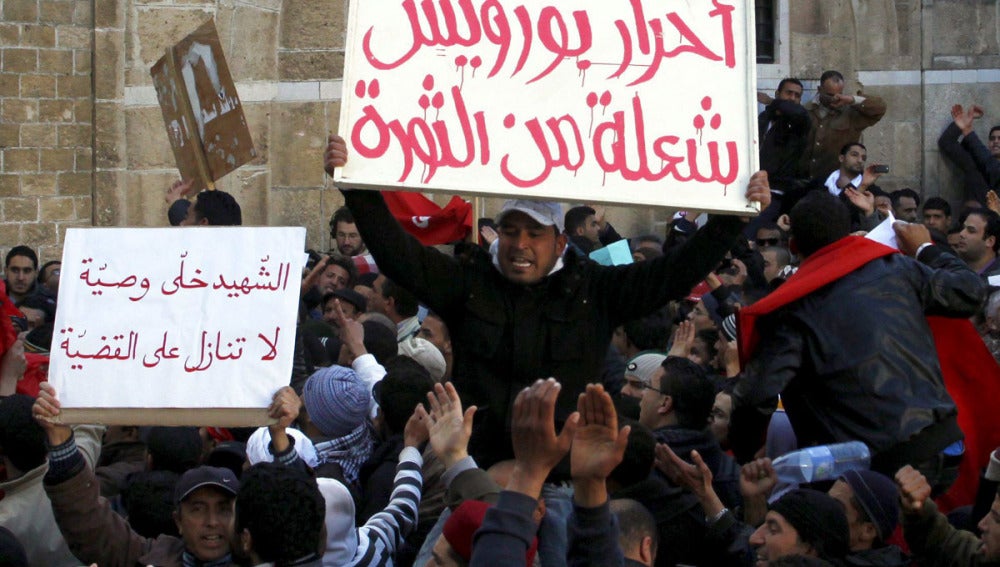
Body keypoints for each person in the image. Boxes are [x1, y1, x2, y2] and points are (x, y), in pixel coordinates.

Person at [324, 133, 771, 467]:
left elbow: (672, 273)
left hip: (561, 483)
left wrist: (731, 220)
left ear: (559, 243)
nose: (521, 244)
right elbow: (401, 258)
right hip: (475, 471)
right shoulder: (470, 282)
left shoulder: (594, 290)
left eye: (535, 233)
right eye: (512, 231)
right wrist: (356, 189)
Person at [731, 191, 986, 488]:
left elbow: (755, 395)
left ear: (793, 245)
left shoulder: (791, 310)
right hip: (942, 441)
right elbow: (969, 291)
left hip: (877, 463)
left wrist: (744, 455)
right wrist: (925, 249)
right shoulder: (896, 268)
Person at [33, 382, 304, 566]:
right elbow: (89, 525)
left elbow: (300, 519)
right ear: (178, 521)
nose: (211, 522)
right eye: (197, 509)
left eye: (223, 509)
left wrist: (279, 436)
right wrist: (61, 442)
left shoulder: (266, 558)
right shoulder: (149, 556)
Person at [897, 464, 1000, 566]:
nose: (981, 524)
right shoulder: (986, 557)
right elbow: (944, 545)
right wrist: (920, 512)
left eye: (996, 519)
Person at [798, 70, 887, 179]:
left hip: (838, 181)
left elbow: (880, 108)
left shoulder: (851, 113)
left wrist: (851, 99)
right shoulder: (805, 111)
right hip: (804, 180)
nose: (835, 98)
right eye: (830, 95)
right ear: (819, 90)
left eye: (839, 94)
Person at [938, 103, 999, 205]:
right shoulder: (975, 166)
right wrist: (960, 124)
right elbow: (947, 143)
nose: (996, 141)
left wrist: (968, 130)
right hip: (973, 219)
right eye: (992, 138)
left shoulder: (991, 166)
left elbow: (994, 169)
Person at [954, 207, 1000, 282]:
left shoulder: (997, 280)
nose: (961, 234)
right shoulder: (952, 270)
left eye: (971, 231)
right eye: (963, 228)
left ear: (990, 241)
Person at [331, 206, 378, 275]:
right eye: (341, 235)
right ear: (334, 234)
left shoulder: (371, 263)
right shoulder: (335, 257)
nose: (346, 242)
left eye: (352, 236)